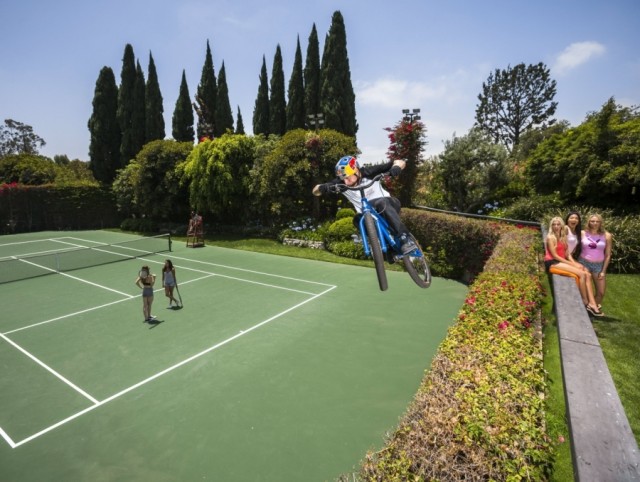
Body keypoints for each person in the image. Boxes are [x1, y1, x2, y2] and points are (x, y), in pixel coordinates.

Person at [312, 156, 417, 254]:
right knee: (357, 219)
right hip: (368, 213)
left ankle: (405, 238)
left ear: (356, 171)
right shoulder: (341, 184)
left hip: (388, 204)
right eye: (343, 177)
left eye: (348, 177)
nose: (345, 180)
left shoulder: (369, 172)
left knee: (381, 203)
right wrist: (322, 188)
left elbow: (400, 162)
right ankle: (385, 246)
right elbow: (315, 191)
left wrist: (396, 168)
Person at [545, 217, 603, 317]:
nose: (556, 226)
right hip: (552, 262)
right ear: (551, 226)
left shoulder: (562, 237)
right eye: (554, 224)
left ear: (562, 225)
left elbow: (567, 254)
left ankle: (592, 302)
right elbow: (555, 256)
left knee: (587, 274)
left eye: (558, 224)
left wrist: (575, 263)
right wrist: (572, 264)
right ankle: (585, 302)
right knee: (581, 274)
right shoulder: (551, 237)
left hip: (560, 261)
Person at [578, 213, 613, 308]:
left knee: (601, 293)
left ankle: (590, 308)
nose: (595, 223)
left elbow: (608, 255)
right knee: (584, 291)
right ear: (589, 222)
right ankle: (587, 309)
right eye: (592, 221)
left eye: (597, 221)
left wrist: (603, 271)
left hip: (599, 266)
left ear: (601, 223)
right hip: (583, 263)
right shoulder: (582, 233)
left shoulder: (607, 235)